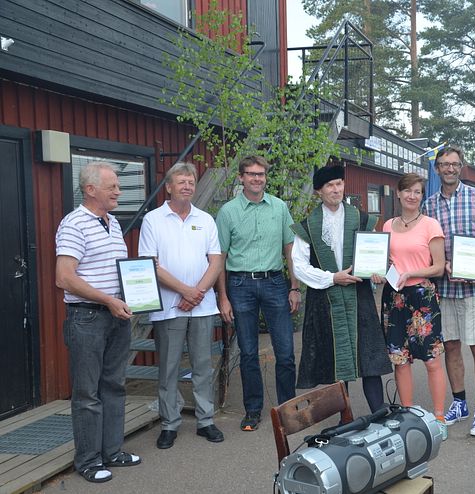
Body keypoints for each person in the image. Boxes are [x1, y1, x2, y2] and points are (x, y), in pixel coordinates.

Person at [55, 162, 141, 483]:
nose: (119, 191)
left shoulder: (113, 222)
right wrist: (107, 299)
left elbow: (107, 269)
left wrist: (137, 278)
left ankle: (112, 451)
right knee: (88, 393)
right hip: (88, 318)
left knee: (114, 386)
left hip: (116, 316)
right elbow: (64, 278)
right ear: (91, 190)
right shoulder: (74, 224)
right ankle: (88, 461)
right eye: (113, 187)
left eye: (118, 186)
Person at [290, 165, 391, 413]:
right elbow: (299, 266)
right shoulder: (307, 226)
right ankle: (344, 418)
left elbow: (376, 254)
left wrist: (378, 270)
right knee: (335, 359)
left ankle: (379, 413)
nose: (336, 189)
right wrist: (333, 278)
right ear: (319, 191)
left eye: (339, 184)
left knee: (369, 357)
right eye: (329, 186)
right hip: (326, 298)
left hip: (360, 297)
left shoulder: (362, 218)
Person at [138, 162, 224, 449]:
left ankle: (205, 421)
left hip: (202, 306)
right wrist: (185, 291)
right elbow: (151, 264)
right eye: (181, 181)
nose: (187, 186)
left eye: (191, 181)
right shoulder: (153, 220)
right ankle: (170, 423)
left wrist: (197, 293)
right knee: (169, 367)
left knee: (202, 365)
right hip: (168, 306)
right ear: (169, 186)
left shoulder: (206, 219)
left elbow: (216, 260)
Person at [423, 145, 475, 437]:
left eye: (455, 164)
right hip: (444, 289)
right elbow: (425, 244)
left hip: (474, 287)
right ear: (437, 169)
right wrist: (435, 264)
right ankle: (459, 402)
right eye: (444, 164)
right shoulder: (428, 205)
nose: (449, 168)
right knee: (451, 346)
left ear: (462, 167)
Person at [216, 155, 300, 431]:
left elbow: (291, 251)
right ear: (240, 178)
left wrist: (295, 287)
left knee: (285, 352)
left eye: (261, 174)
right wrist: (223, 296)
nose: (256, 179)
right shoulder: (228, 212)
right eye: (251, 174)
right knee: (249, 352)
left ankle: (287, 409)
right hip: (240, 286)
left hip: (275, 283)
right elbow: (220, 257)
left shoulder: (279, 208)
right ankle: (253, 410)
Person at [378, 173, 448, 438]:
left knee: (431, 360)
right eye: (407, 191)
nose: (411, 196)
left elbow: (439, 267)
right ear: (398, 193)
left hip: (423, 297)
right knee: (401, 360)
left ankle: (439, 416)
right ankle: (407, 414)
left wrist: (412, 272)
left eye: (417, 192)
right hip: (395, 297)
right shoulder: (387, 225)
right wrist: (377, 271)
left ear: (422, 196)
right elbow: (383, 262)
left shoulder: (431, 225)